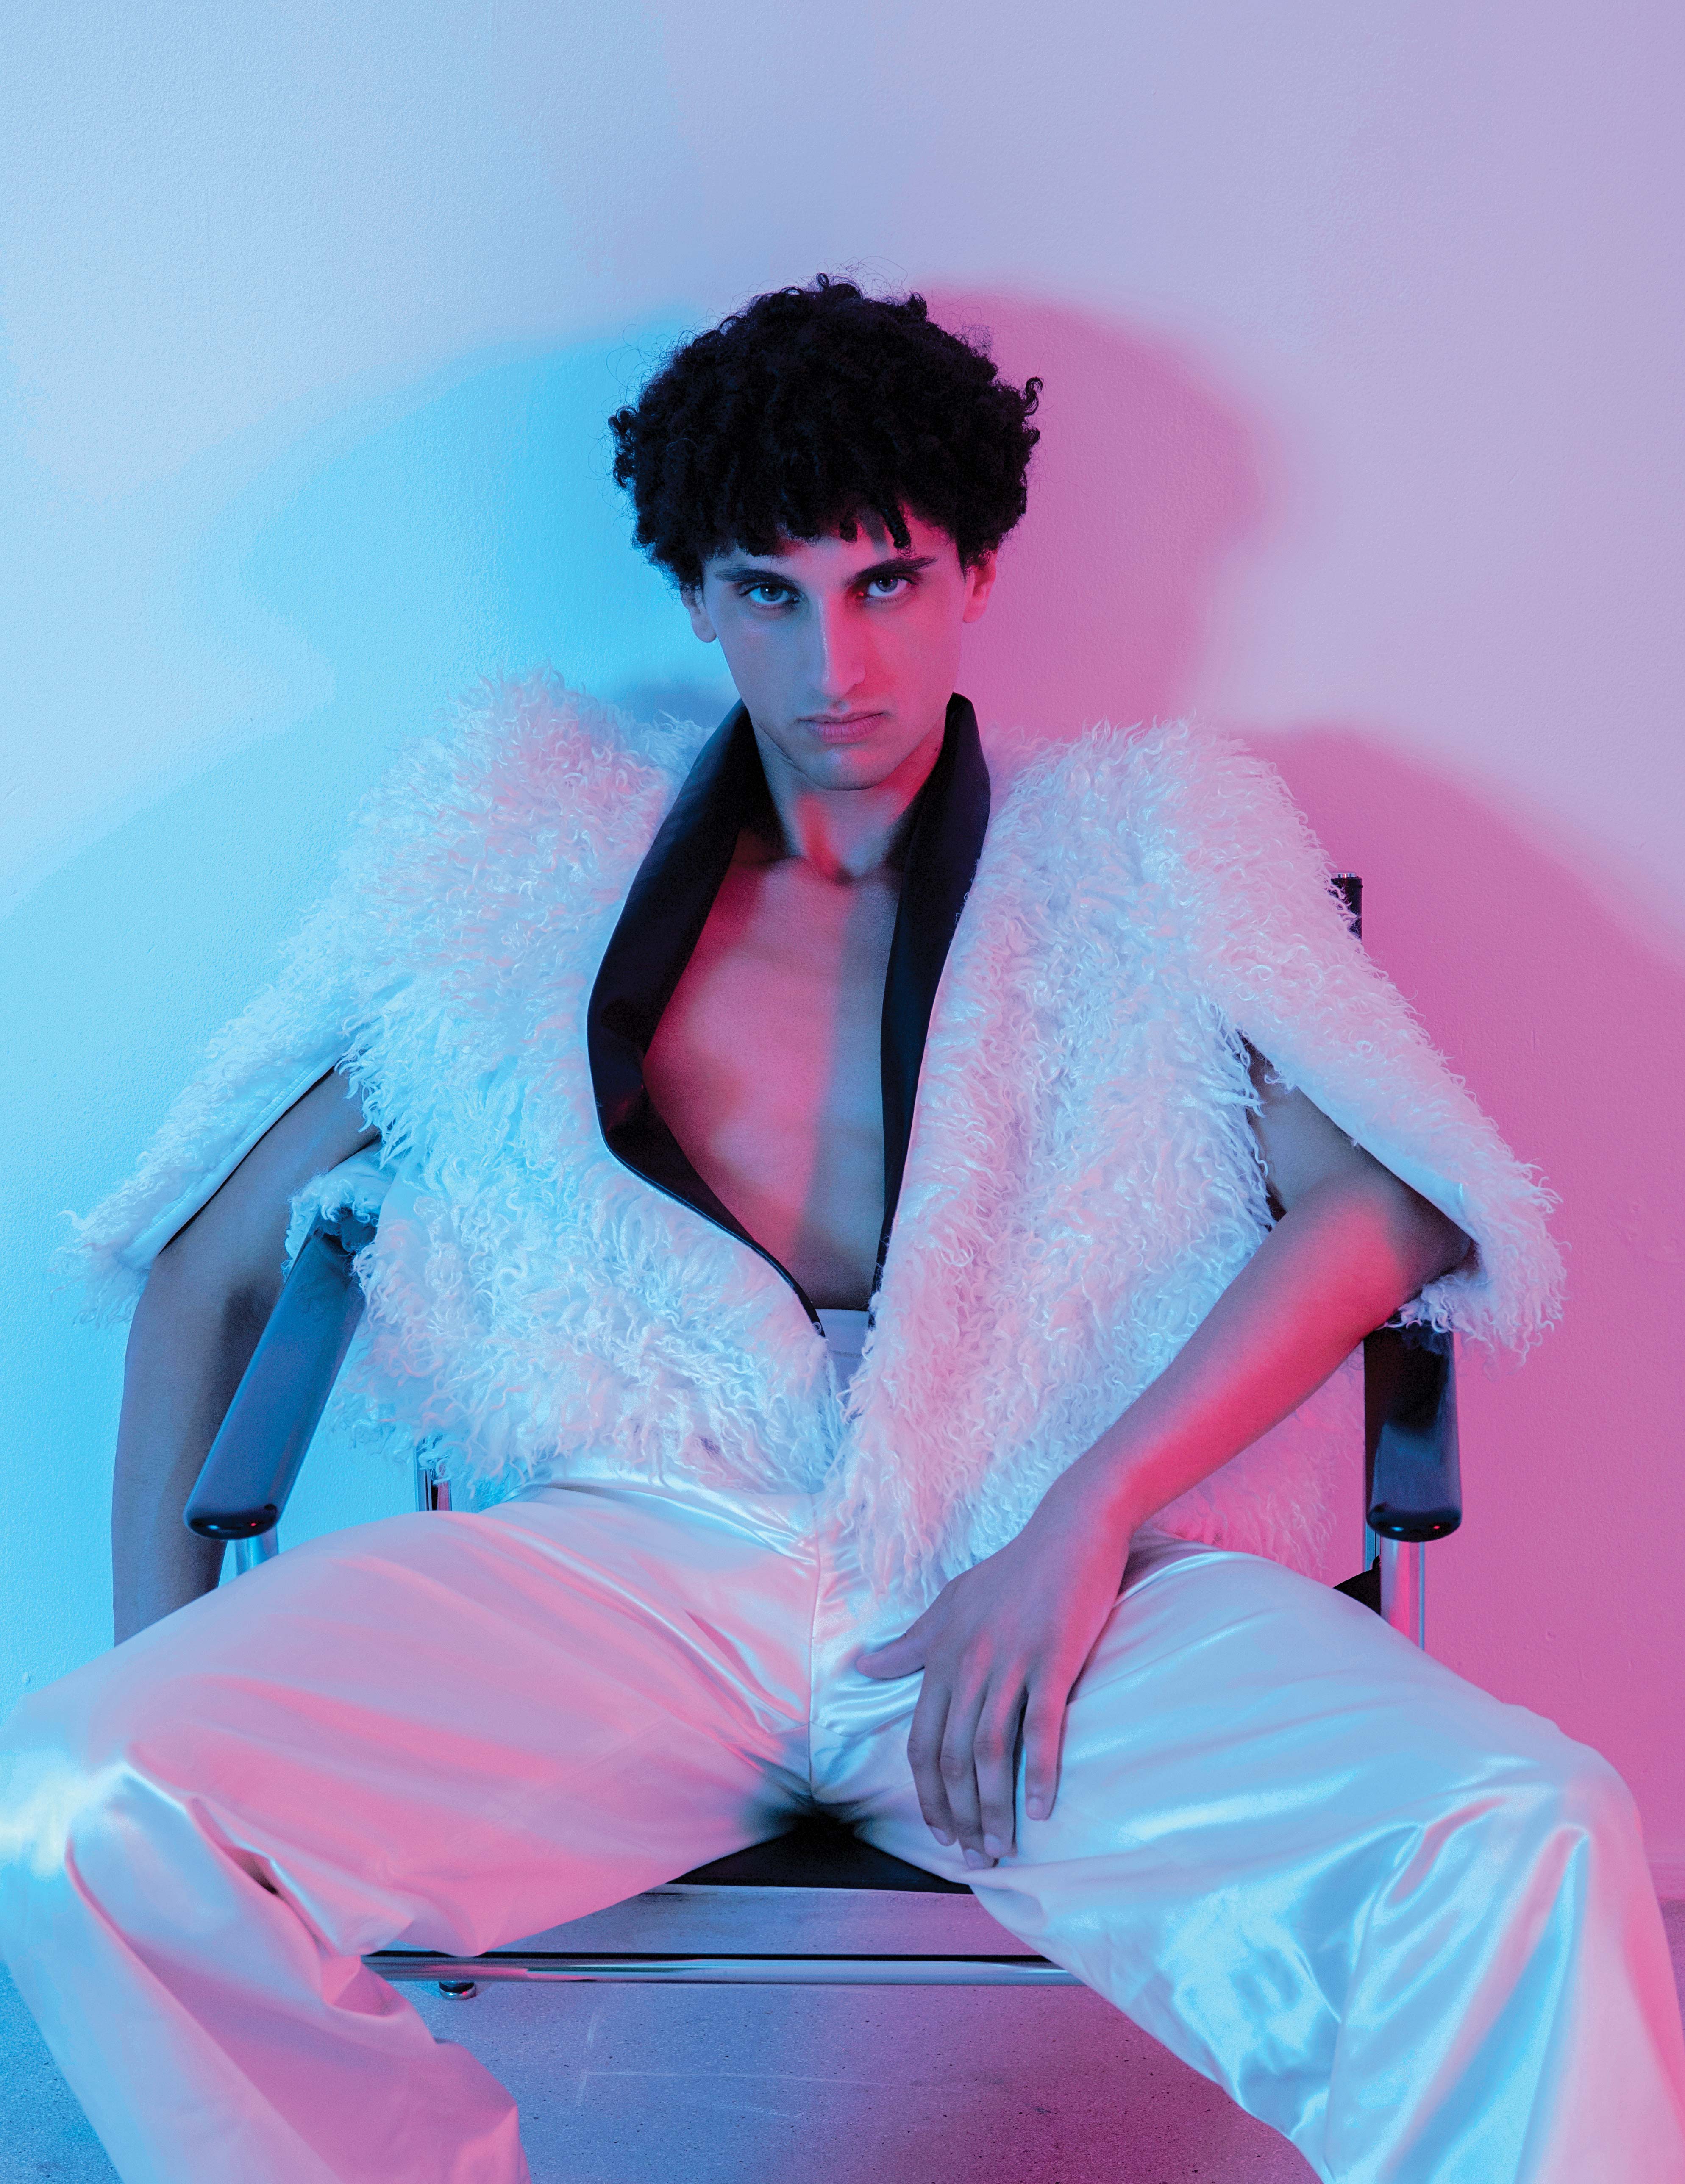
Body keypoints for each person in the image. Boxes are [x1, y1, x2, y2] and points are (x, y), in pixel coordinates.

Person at [2, 275, 1682, 2183]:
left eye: (886, 581)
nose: (835, 663)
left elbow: (1381, 1208)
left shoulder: (1130, 860)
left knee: (1525, 1825)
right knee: (87, 1796)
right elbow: (216, 1257)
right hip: (638, 1569)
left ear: (974, 573)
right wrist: (182, 1698)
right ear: (698, 599)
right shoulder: (522, 886)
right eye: (769, 590)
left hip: (1027, 1574)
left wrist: (1085, 1516)